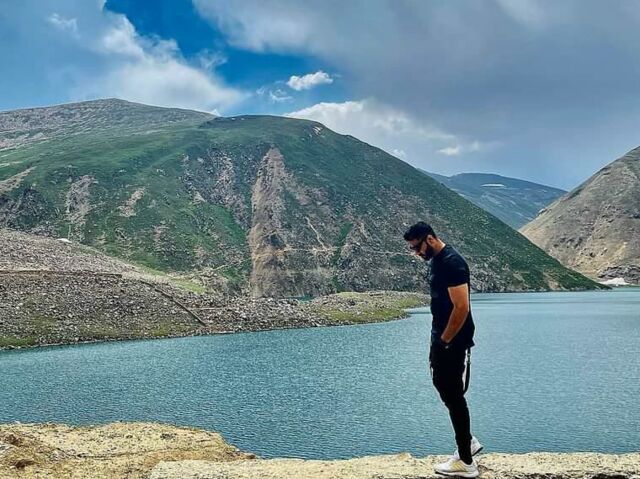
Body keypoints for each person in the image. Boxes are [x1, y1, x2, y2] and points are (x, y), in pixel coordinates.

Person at [404, 221, 483, 478]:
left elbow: (461, 308)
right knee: (445, 388)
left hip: (452, 340)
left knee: (453, 395)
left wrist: (445, 341)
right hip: (442, 336)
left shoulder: (452, 263)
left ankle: (466, 462)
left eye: (417, 247)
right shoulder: (437, 261)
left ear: (429, 239)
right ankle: (467, 441)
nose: (416, 253)